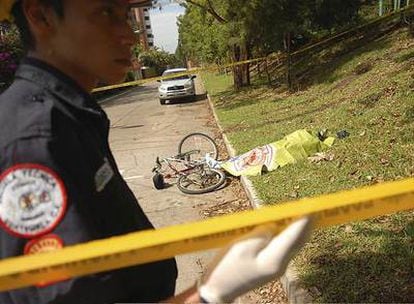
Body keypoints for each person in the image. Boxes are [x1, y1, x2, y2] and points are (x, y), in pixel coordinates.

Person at [0, 1, 313, 303]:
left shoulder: (69, 115)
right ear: (41, 16)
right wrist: (207, 295)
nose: (130, 35)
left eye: (126, 15)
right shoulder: (35, 137)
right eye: (107, 12)